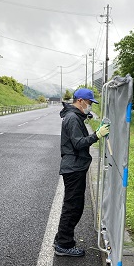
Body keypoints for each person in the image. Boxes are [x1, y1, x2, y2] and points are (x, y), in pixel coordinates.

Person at [54, 87, 110, 257]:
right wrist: (97, 135)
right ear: (80, 101)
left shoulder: (75, 116)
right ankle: (64, 245)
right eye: (89, 103)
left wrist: (88, 120)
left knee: (74, 206)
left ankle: (61, 239)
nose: (90, 106)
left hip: (75, 166)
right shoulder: (72, 118)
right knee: (73, 207)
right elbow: (78, 143)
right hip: (74, 167)